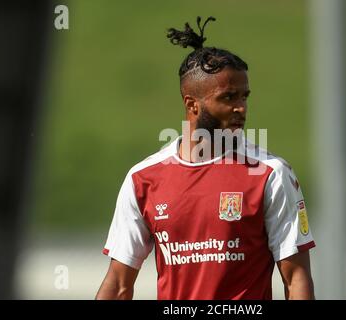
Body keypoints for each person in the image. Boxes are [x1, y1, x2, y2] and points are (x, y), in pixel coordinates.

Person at [96, 16, 315, 300]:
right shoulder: (143, 179)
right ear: (192, 104)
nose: (241, 108)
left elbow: (296, 278)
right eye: (229, 98)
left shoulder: (270, 173)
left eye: (244, 97)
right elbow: (119, 283)